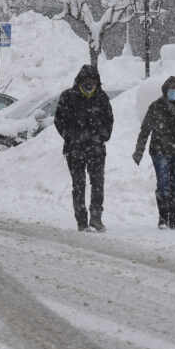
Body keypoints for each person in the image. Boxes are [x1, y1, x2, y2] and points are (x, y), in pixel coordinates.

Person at [53, 63, 114, 231]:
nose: (89, 83)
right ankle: (81, 220)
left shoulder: (102, 98)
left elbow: (109, 120)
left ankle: (96, 218)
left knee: (98, 184)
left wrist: (102, 136)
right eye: (86, 80)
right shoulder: (68, 96)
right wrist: (70, 136)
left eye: (93, 80)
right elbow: (59, 120)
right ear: (80, 80)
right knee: (78, 185)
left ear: (97, 81)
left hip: (96, 149)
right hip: (75, 149)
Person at [132, 75, 175, 229]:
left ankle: (174, 218)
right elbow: (145, 129)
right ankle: (163, 218)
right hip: (160, 151)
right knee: (163, 184)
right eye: (171, 90)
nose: (174, 93)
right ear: (165, 91)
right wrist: (139, 150)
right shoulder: (156, 106)